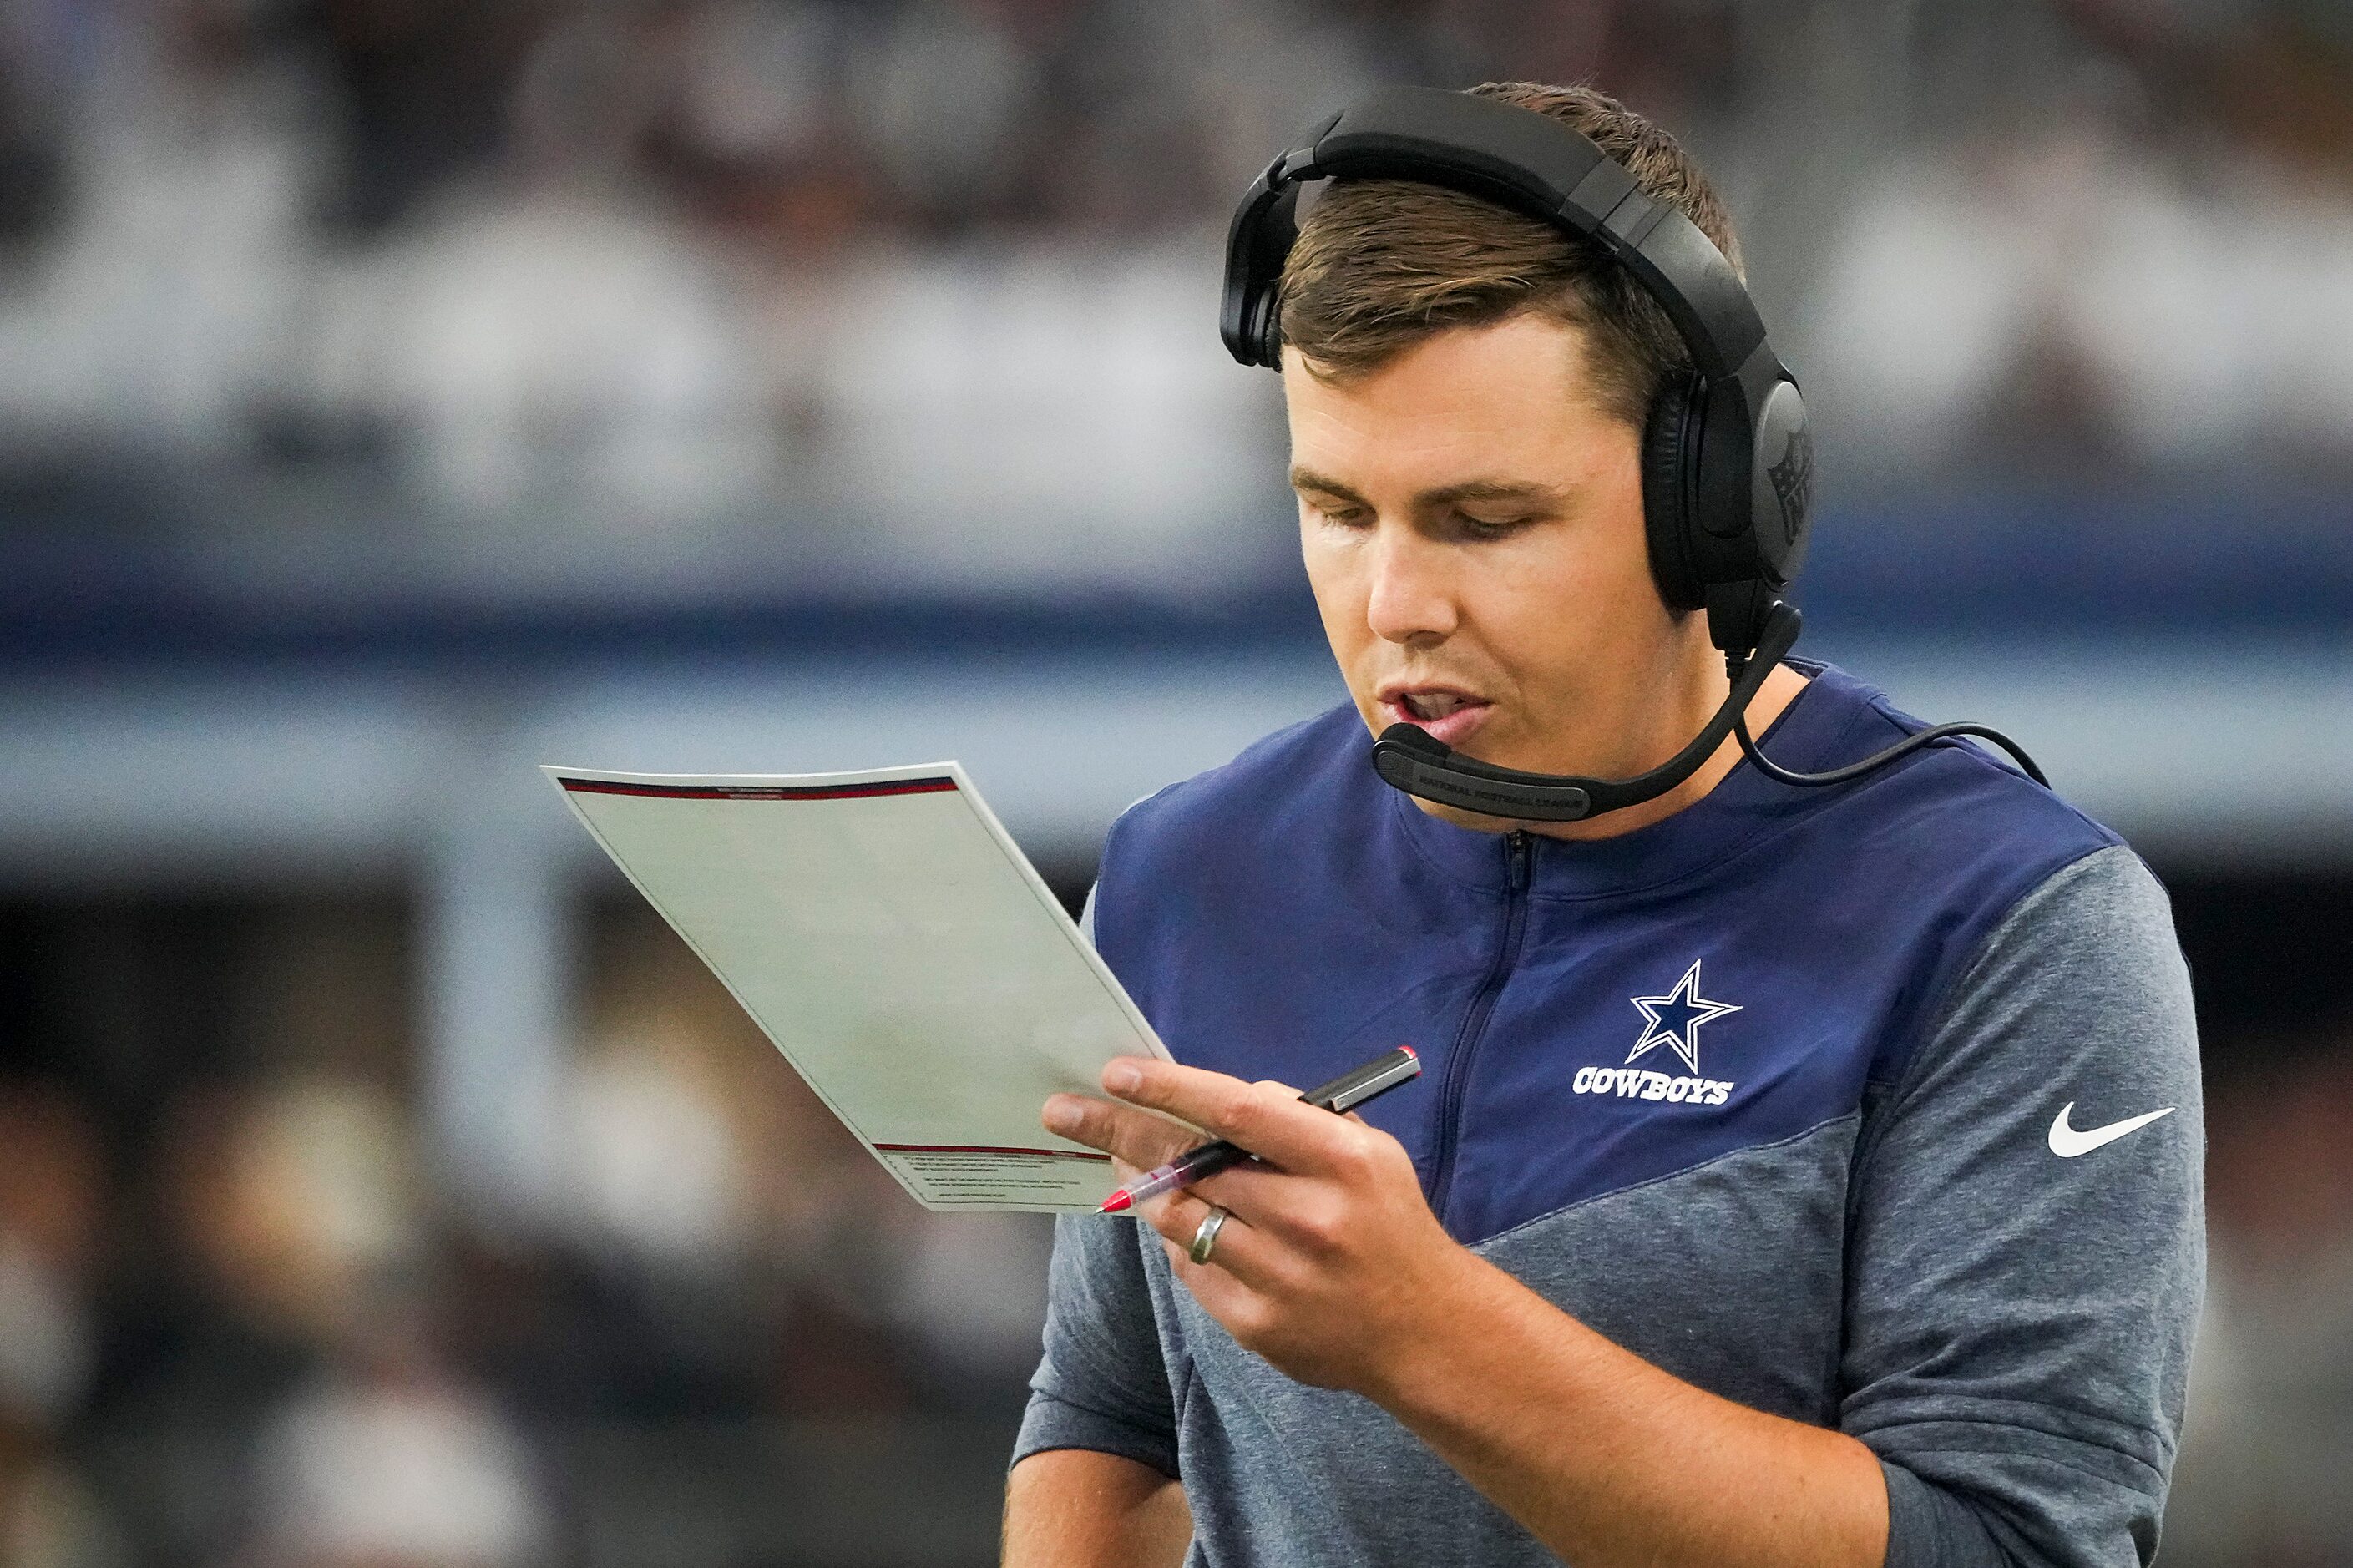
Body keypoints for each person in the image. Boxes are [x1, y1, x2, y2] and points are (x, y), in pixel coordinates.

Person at [1000, 81, 2203, 1568]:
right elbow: (1112, 1411)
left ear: (1715, 501)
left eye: (1482, 521)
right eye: (1337, 510)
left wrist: (1430, 1336)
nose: (1394, 607)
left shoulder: (2015, 928)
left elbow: (2016, 1544)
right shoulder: (1186, 868)